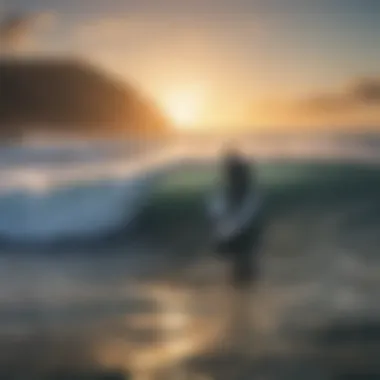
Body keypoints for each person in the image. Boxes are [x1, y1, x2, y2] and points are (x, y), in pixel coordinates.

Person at [208, 146, 264, 288]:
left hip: (238, 235)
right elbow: (218, 210)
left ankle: (242, 290)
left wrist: (225, 232)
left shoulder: (240, 186)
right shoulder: (229, 188)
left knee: (242, 267)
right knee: (242, 268)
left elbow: (245, 211)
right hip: (237, 234)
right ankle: (243, 291)